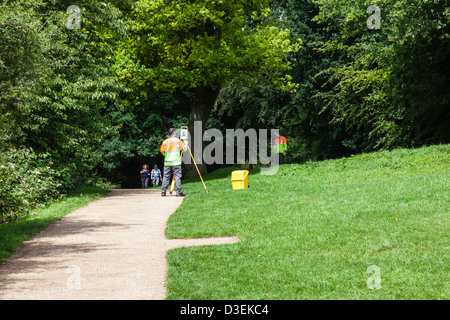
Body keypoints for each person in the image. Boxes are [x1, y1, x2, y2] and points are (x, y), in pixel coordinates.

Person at [160, 128, 185, 197]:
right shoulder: (178, 141)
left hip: (167, 162)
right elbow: (184, 149)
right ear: (174, 133)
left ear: (169, 133)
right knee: (177, 177)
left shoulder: (165, 142)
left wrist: (166, 155)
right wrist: (185, 143)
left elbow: (162, 152)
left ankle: (163, 191)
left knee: (166, 177)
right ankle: (178, 192)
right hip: (176, 162)